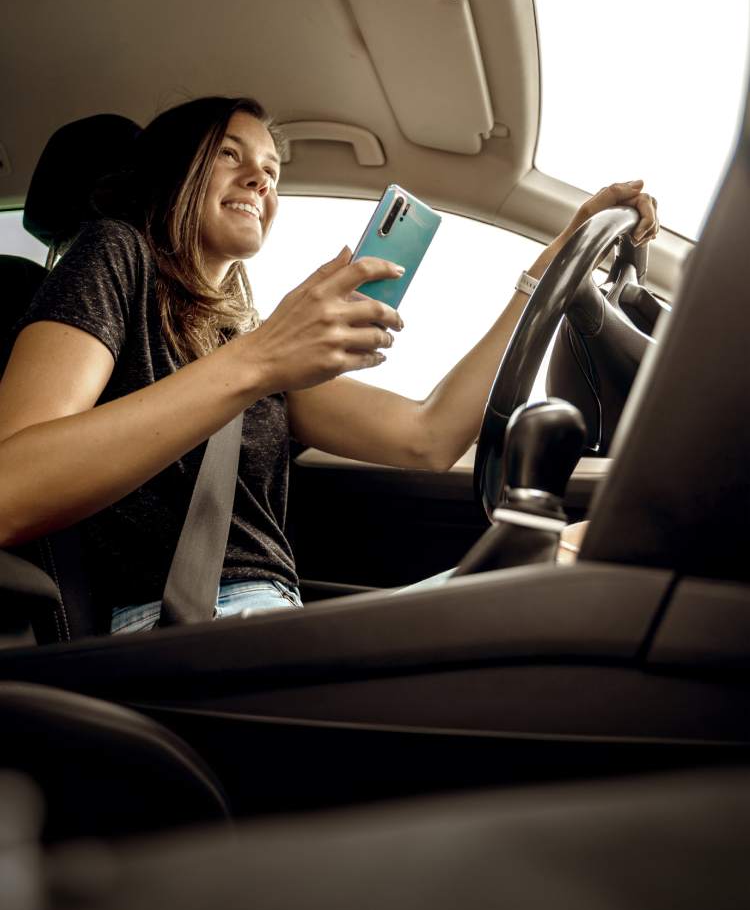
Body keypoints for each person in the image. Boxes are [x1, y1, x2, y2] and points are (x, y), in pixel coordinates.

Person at [0, 97, 659, 632]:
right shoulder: (118, 256)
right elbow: (12, 491)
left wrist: (554, 264)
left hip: (274, 627)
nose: (260, 178)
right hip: (178, 645)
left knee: (591, 550)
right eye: (230, 154)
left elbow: (429, 435)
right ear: (174, 170)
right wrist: (262, 357)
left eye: (272, 169)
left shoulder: (246, 342)